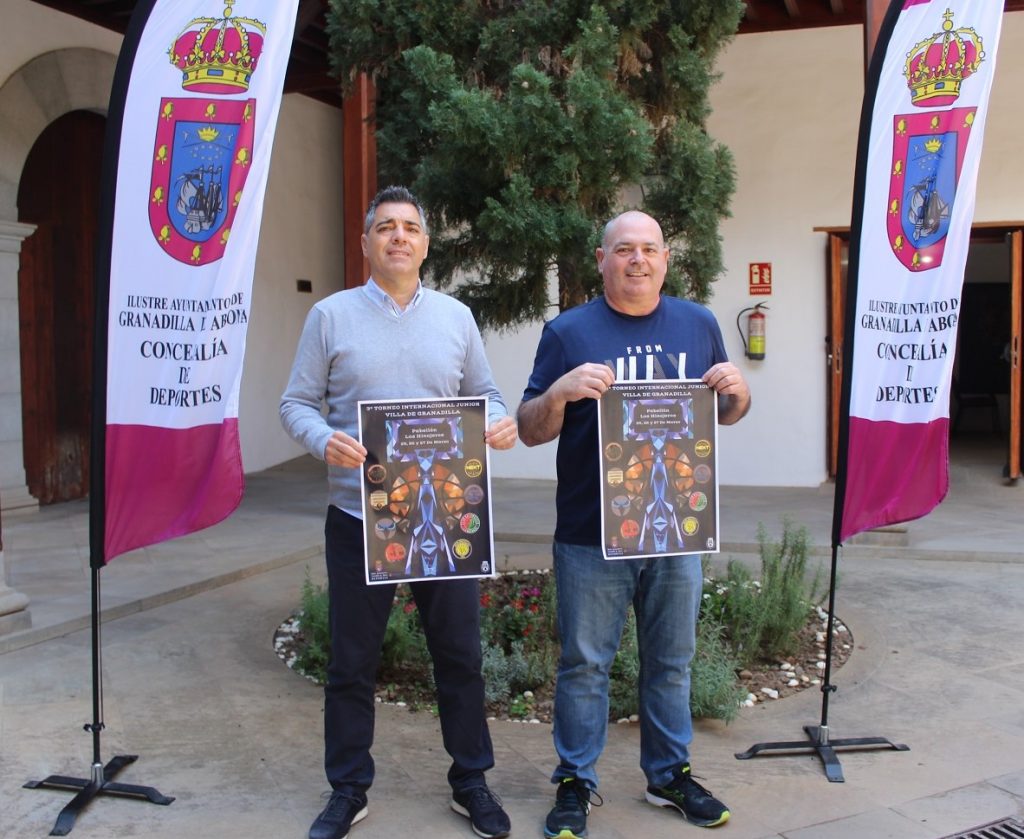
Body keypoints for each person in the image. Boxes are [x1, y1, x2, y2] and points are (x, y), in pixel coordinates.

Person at [280, 185, 517, 839]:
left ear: (425, 243)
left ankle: (471, 778)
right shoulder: (330, 316)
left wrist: (497, 423)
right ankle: (348, 787)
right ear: (366, 243)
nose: (398, 236)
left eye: (410, 226)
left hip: (444, 517)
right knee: (351, 661)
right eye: (385, 227)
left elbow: (486, 395)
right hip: (359, 515)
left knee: (460, 653)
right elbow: (295, 402)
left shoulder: (455, 317)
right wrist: (319, 437)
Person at [517, 210, 751, 837]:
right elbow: (528, 429)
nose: (638, 259)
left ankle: (669, 774)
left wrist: (738, 388)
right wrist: (561, 392)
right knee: (584, 663)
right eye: (624, 249)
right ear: (602, 259)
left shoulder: (699, 323)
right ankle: (574, 781)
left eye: (649, 249)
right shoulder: (567, 332)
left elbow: (726, 412)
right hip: (591, 532)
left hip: (677, 526)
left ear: (665, 260)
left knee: (672, 659)